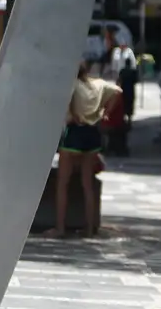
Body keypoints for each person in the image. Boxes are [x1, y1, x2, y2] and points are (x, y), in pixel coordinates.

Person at [46, 62, 121, 238]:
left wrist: (73, 115)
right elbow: (118, 91)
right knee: (87, 184)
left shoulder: (71, 85)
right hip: (92, 134)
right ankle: (88, 229)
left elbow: (66, 107)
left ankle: (60, 227)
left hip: (74, 134)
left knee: (63, 183)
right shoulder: (98, 85)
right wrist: (105, 112)